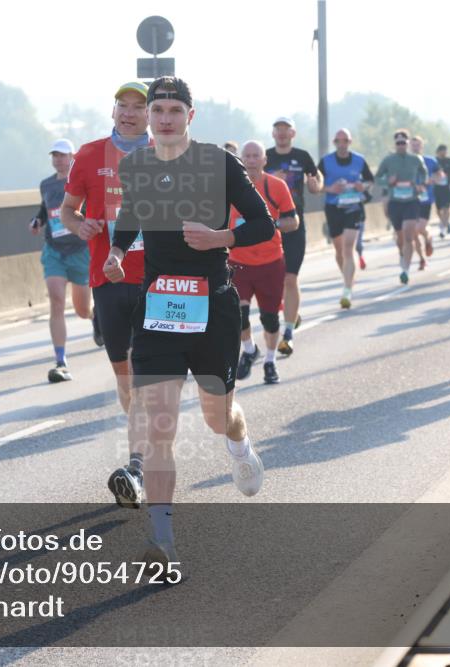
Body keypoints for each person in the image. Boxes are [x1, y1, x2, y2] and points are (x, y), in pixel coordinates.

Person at [103, 76, 275, 568]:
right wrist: (117, 250)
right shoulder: (136, 165)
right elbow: (132, 214)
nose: (164, 119)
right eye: (158, 110)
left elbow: (260, 223)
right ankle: (163, 542)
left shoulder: (218, 164)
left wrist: (220, 238)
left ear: (190, 117)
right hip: (158, 308)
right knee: (158, 424)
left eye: (175, 110)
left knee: (218, 416)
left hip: (213, 308)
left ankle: (239, 446)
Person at [61, 81, 151, 509]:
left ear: (152, 115)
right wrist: (81, 226)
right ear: (113, 111)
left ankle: (137, 466)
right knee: (126, 376)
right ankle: (143, 451)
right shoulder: (90, 154)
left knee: (149, 373)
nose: (129, 113)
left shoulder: (170, 154)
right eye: (123, 105)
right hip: (108, 280)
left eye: (139, 106)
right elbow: (68, 208)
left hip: (158, 279)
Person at [230, 140, 297, 384]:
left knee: (269, 318)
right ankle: (249, 350)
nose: (250, 160)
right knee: (238, 313)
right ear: (240, 159)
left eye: (255, 155)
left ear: (264, 160)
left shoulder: (276, 186)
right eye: (246, 155)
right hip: (238, 261)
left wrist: (267, 226)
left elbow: (293, 221)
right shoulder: (228, 188)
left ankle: (270, 361)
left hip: (270, 261)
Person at [29, 139, 92, 382]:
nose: (58, 159)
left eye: (63, 155)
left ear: (73, 157)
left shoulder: (81, 180)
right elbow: (46, 209)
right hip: (55, 250)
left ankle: (95, 318)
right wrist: (37, 221)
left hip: (80, 249)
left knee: (82, 309)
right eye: (55, 155)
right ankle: (60, 359)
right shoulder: (46, 184)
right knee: (56, 299)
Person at [264, 117, 321, 356]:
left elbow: (317, 180)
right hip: (269, 226)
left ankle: (288, 333)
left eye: (286, 130)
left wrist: (314, 184)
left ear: (293, 133)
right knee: (272, 281)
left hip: (295, 224)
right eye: (278, 130)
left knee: (290, 278)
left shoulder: (303, 156)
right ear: (273, 133)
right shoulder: (265, 157)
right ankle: (290, 314)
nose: (282, 134)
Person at [311, 128, 374, 308]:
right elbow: (315, 184)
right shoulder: (326, 161)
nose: (342, 144)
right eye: (338, 141)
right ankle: (348, 278)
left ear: (350, 142)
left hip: (354, 207)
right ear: (334, 143)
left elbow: (371, 181)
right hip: (333, 208)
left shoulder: (359, 160)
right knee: (339, 251)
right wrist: (331, 189)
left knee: (348, 248)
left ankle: (347, 290)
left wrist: (363, 186)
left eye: (345, 140)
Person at [375, 129, 428, 284]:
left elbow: (424, 173)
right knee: (400, 237)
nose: (400, 145)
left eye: (403, 142)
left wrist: (420, 185)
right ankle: (402, 254)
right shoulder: (388, 160)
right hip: (395, 202)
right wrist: (388, 182)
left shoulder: (415, 159)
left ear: (408, 143)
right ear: (395, 144)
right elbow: (378, 178)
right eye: (398, 143)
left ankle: (405, 270)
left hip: (411, 201)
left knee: (409, 235)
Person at [409, 135, 440, 270]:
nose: (415, 147)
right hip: (410, 200)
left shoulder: (430, 161)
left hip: (425, 199)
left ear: (422, 146)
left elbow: (440, 175)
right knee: (413, 233)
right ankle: (421, 259)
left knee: (419, 228)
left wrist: (432, 180)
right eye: (413, 145)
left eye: (418, 145)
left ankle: (428, 237)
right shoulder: (406, 161)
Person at [434, 144, 450, 237]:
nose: (443, 153)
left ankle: (443, 228)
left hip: (447, 188)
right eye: (441, 151)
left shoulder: (449, 161)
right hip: (437, 188)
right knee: (438, 210)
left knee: (446, 208)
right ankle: (446, 223)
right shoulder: (434, 161)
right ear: (438, 152)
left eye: (445, 151)